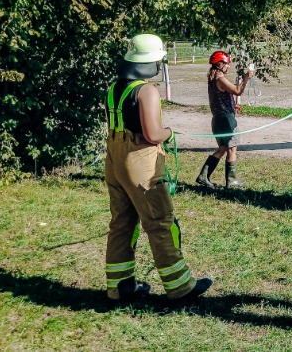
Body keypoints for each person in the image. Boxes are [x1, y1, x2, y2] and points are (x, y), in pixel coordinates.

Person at [105, 33, 212, 302]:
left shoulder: (115, 88)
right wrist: (169, 132)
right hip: (140, 161)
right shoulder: (146, 90)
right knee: (160, 221)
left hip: (114, 157)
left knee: (122, 222)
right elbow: (153, 134)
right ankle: (180, 287)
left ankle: (119, 286)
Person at [196, 50, 252, 189]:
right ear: (220, 65)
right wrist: (246, 77)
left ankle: (203, 176)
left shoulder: (212, 79)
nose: (229, 67)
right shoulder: (220, 79)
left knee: (222, 149)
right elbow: (237, 90)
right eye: (227, 64)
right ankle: (231, 181)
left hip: (217, 119)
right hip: (226, 120)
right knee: (232, 149)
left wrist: (232, 105)